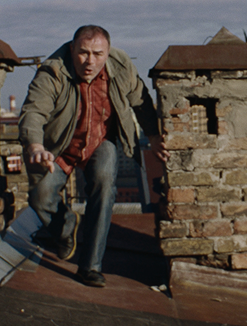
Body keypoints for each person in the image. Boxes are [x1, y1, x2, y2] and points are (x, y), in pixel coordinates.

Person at [19, 25, 167, 287]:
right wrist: (35, 146)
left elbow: (141, 100)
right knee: (40, 197)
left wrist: (154, 135)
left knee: (105, 184)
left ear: (107, 53)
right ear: (72, 49)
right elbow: (34, 111)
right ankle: (66, 227)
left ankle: (91, 267)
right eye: (83, 53)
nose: (90, 61)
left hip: (101, 142)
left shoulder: (120, 66)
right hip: (60, 146)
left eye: (98, 54)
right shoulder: (53, 71)